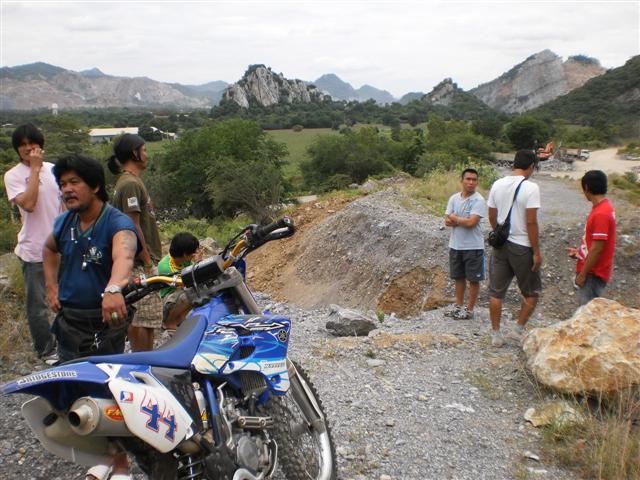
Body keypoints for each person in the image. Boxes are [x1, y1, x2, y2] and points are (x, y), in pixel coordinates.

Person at [43, 154, 139, 479]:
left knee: (106, 392)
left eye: (74, 182)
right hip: (70, 322)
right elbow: (48, 249)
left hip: (104, 323)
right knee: (75, 390)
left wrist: (113, 287)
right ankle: (101, 456)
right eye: (62, 184)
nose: (67, 190)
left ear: (95, 185)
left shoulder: (115, 222)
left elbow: (124, 256)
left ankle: (121, 462)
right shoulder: (64, 223)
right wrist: (51, 287)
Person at [4, 123, 62, 360]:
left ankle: (69, 343)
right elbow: (28, 204)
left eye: (32, 143)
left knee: (68, 299)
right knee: (38, 305)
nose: (28, 148)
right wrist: (35, 170)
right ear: (17, 149)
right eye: (23, 145)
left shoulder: (54, 169)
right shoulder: (13, 175)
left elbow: (64, 204)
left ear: (41, 145)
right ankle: (46, 349)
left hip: (60, 247)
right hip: (34, 250)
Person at [108, 133, 162, 352]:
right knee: (141, 317)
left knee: (147, 318)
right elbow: (132, 225)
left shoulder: (131, 181)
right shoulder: (130, 183)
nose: (147, 154)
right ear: (134, 153)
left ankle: (145, 359)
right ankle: (142, 363)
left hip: (139, 260)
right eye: (144, 149)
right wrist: (147, 261)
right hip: (138, 263)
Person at [486, 150, 542, 347]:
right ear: (531, 166)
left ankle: (495, 335)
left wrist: (499, 232)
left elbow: (491, 215)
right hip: (522, 246)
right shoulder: (531, 188)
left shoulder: (497, 184)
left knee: (496, 292)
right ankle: (517, 330)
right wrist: (536, 252)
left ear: (514, 163)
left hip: (501, 246)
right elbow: (531, 222)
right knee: (531, 292)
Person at [567, 170, 616, 305]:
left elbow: (597, 249)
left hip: (593, 274)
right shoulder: (603, 208)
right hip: (592, 271)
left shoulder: (601, 213)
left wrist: (582, 274)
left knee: (585, 311)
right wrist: (579, 253)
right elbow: (595, 244)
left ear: (586, 188)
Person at [444, 168, 486, 320]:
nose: (471, 182)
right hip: (456, 245)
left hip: (473, 246)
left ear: (477, 182)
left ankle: (469, 310)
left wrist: (455, 218)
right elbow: (446, 221)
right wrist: (460, 220)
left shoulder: (478, 200)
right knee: (458, 277)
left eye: (474, 180)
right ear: (462, 180)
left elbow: (471, 223)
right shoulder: (454, 198)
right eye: (468, 179)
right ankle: (458, 306)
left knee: (474, 279)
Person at [157, 232, 200, 334]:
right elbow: (186, 282)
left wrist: (198, 263)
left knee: (197, 290)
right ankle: (168, 322)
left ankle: (180, 317)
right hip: (167, 300)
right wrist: (196, 264)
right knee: (190, 293)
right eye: (193, 252)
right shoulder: (166, 267)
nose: (195, 253)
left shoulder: (183, 260)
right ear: (185, 254)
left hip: (176, 295)